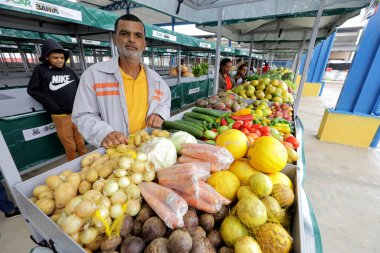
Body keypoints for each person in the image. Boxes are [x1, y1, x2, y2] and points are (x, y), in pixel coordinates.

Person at [72, 14, 171, 148]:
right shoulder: (93, 75)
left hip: (147, 146)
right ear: (115, 39)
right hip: (115, 150)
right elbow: (82, 114)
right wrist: (103, 133)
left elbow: (164, 103)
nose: (131, 39)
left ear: (144, 44)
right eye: (124, 33)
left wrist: (159, 114)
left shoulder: (156, 79)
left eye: (138, 35)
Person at [27, 39, 87, 161]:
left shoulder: (69, 70)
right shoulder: (41, 70)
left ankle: (86, 162)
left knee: (81, 141)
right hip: (60, 115)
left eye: (62, 57)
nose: (59, 60)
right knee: (69, 145)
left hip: (76, 113)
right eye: (55, 58)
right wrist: (52, 105)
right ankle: (72, 166)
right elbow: (33, 90)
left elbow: (80, 86)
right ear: (47, 57)